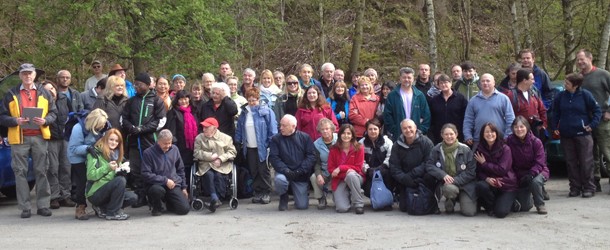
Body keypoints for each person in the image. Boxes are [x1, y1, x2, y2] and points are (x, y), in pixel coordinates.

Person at [0, 63, 57, 219]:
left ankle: (43, 205)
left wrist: (44, 121)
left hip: (39, 136)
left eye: (29, 73)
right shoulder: (10, 94)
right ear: (20, 76)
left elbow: (54, 113)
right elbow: (2, 117)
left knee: (42, 171)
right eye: (24, 73)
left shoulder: (45, 93)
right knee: (20, 173)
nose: (27, 76)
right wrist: (14, 120)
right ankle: (25, 207)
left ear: (34, 75)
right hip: (19, 138)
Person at [121, 72, 167, 208]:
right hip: (135, 142)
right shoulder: (131, 101)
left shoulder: (156, 100)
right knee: (136, 170)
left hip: (150, 141)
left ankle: (154, 197)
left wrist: (143, 129)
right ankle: (140, 196)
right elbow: (123, 118)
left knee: (153, 169)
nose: (136, 86)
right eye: (135, 84)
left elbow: (161, 121)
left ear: (147, 85)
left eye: (139, 84)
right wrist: (131, 128)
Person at [553, 73, 601, 198]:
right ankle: (575, 187)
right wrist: (555, 127)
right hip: (566, 134)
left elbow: (597, 111)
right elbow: (555, 112)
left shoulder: (585, 95)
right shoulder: (560, 96)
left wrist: (592, 124)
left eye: (567, 83)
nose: (565, 85)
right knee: (570, 162)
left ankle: (589, 187)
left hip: (583, 134)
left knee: (586, 161)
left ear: (575, 85)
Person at [235, 88, 278, 204]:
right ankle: (258, 191)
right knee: (254, 170)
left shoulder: (267, 112)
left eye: (254, 100)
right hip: (249, 147)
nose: (252, 102)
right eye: (249, 100)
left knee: (264, 170)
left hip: (263, 147)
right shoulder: (244, 113)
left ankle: (266, 192)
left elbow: (273, 130)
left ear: (258, 99)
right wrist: (238, 142)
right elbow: (239, 129)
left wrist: (270, 145)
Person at [425, 123, 477, 216]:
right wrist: (442, 175)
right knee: (449, 189)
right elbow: (429, 165)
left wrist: (454, 180)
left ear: (456, 134)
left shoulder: (465, 150)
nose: (449, 137)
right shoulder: (436, 149)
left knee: (469, 212)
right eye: (446, 134)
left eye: (451, 134)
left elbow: (471, 172)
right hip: (448, 186)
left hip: (465, 185)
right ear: (442, 135)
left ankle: (459, 198)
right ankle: (450, 199)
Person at [86, 128, 137, 220]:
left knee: (133, 197)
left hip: (110, 190)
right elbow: (91, 176)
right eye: (111, 139)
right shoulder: (95, 153)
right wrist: (108, 168)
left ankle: (103, 208)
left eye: (117, 141)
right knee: (120, 181)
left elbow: (116, 178)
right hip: (95, 192)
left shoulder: (117, 155)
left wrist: (123, 171)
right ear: (105, 139)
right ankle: (112, 213)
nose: (114, 143)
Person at [577, 49, 610, 192]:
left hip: (602, 118)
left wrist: (609, 111)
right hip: (586, 121)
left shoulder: (603, 74)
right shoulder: (578, 78)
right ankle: (594, 181)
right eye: (578, 60)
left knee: (606, 150)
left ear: (590, 58)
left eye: (582, 59)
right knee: (590, 153)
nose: (580, 62)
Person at [269, 115, 317, 211]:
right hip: (284, 172)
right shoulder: (276, 139)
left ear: (293, 126)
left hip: (300, 174)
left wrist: (300, 171)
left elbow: (311, 156)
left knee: (302, 206)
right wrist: (285, 170)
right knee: (280, 180)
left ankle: (298, 193)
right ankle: (283, 196)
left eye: (284, 126)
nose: (281, 128)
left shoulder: (305, 138)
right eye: (280, 125)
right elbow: (274, 158)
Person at [68, 108, 109, 220]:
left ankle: (99, 203)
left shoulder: (105, 125)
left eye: (103, 124)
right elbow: (73, 148)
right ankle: (80, 207)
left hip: (95, 154)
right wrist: (88, 148)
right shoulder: (78, 128)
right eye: (100, 125)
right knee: (81, 182)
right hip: (78, 157)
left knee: (100, 178)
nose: (102, 127)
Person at [42, 81, 76, 209]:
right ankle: (54, 197)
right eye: (46, 90)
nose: (50, 91)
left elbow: (72, 115)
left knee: (66, 168)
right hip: (50, 139)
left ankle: (65, 196)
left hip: (65, 138)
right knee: (53, 168)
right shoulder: (42, 102)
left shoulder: (64, 99)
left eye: (52, 88)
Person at [389, 119, 435, 212]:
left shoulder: (426, 142)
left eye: (410, 127)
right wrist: (405, 178)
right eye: (404, 128)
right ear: (401, 130)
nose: (408, 130)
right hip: (406, 179)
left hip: (422, 178)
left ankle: (430, 198)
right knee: (405, 208)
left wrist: (414, 174)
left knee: (430, 175)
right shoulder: (397, 145)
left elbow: (429, 162)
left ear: (416, 128)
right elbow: (394, 167)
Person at [506, 116, 549, 214]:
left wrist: (531, 174)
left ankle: (540, 204)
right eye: (516, 127)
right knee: (525, 207)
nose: (519, 129)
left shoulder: (536, 142)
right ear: (512, 129)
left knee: (535, 182)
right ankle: (528, 196)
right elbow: (508, 160)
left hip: (538, 170)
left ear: (527, 127)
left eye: (522, 127)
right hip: (520, 173)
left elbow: (540, 162)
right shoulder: (509, 141)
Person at [141, 129, 190, 216]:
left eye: (169, 143)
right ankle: (157, 207)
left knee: (184, 209)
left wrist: (184, 187)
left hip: (173, 184)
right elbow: (146, 174)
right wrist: (165, 181)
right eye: (165, 143)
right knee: (156, 190)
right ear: (158, 141)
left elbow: (180, 169)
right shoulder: (148, 153)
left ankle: (169, 202)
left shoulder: (175, 150)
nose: (168, 146)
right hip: (156, 184)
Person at [193, 118, 237, 213]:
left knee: (218, 175)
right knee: (209, 174)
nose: (204, 129)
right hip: (206, 164)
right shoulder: (199, 138)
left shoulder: (226, 138)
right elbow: (196, 153)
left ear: (214, 128)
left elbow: (232, 152)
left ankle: (216, 199)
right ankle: (214, 198)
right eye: (203, 127)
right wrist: (210, 156)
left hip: (221, 165)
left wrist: (221, 159)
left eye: (207, 127)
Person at [474, 122, 517, 218]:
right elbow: (478, 171)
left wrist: (485, 164)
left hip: (506, 184)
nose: (490, 134)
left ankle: (511, 203)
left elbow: (502, 170)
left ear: (497, 133)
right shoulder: (479, 149)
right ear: (482, 134)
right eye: (487, 132)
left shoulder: (505, 149)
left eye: (492, 131)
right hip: (490, 183)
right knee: (480, 185)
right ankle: (490, 208)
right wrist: (486, 179)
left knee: (500, 213)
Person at [463, 73, 515, 146]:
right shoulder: (473, 101)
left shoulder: (503, 99)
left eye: (488, 81)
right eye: (483, 81)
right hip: (478, 140)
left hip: (499, 139)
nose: (485, 83)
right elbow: (468, 120)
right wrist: (468, 135)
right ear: (480, 83)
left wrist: (508, 135)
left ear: (494, 83)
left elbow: (510, 119)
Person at [383, 67, 431, 141]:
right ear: (400, 78)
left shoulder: (419, 95)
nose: (407, 80)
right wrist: (394, 129)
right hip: (398, 134)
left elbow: (426, 115)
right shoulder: (392, 95)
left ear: (413, 79)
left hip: (416, 135)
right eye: (404, 77)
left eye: (409, 77)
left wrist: (421, 130)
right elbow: (387, 114)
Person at [328, 124, 366, 214]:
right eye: (343, 133)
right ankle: (345, 195)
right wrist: (343, 171)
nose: (346, 136)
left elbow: (358, 168)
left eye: (349, 133)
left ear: (352, 135)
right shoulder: (333, 149)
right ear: (339, 134)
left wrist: (341, 168)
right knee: (342, 209)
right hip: (339, 179)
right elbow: (331, 169)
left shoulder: (359, 148)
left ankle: (359, 204)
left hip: (356, 177)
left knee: (351, 175)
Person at [359, 118, 395, 209]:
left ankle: (387, 201)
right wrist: (367, 169)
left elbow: (390, 156)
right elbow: (360, 160)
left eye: (375, 129)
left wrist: (383, 167)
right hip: (369, 173)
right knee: (368, 187)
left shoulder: (387, 142)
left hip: (384, 171)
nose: (373, 131)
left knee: (389, 177)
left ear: (379, 129)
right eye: (370, 129)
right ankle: (376, 199)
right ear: (366, 130)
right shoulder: (361, 143)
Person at [504, 69, 548, 141]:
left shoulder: (534, 93)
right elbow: (506, 115)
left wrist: (543, 125)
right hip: (519, 133)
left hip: (535, 132)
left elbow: (542, 109)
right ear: (525, 80)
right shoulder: (511, 96)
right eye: (532, 79)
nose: (534, 81)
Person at [165, 90, 199, 179]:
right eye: (181, 99)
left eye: (186, 99)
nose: (184, 101)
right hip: (180, 146)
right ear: (177, 100)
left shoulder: (194, 111)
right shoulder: (173, 112)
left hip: (193, 146)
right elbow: (171, 131)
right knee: (181, 169)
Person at [429, 74, 468, 144]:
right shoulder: (434, 100)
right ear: (438, 85)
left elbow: (466, 117)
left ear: (450, 83)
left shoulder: (461, 98)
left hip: (457, 135)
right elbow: (431, 119)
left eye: (446, 82)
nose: (444, 85)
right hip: (439, 137)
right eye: (441, 83)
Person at [309, 118, 337, 210]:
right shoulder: (316, 144)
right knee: (313, 177)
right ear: (319, 131)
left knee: (339, 204)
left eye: (327, 128)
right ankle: (321, 198)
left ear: (332, 129)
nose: (325, 131)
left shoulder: (339, 139)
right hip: (325, 170)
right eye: (322, 129)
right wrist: (319, 175)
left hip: (337, 170)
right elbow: (316, 163)